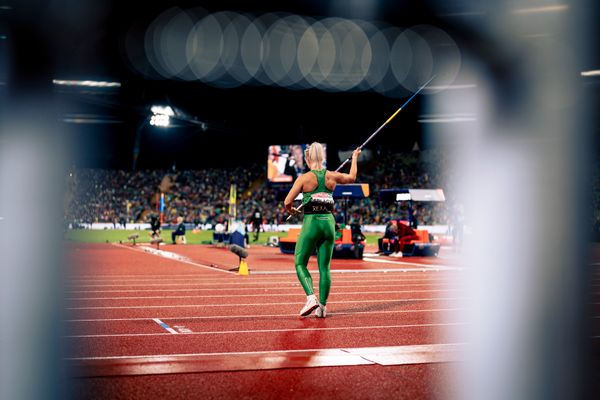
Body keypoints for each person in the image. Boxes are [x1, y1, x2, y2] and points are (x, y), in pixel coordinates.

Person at [284, 142, 361, 318]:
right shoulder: (332, 176)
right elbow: (352, 177)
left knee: (300, 262)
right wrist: (354, 158)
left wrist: (292, 211)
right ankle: (322, 308)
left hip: (312, 222)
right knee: (324, 268)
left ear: (307, 158)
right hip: (328, 222)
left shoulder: (303, 178)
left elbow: (287, 201)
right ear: (323, 157)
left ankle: (311, 298)